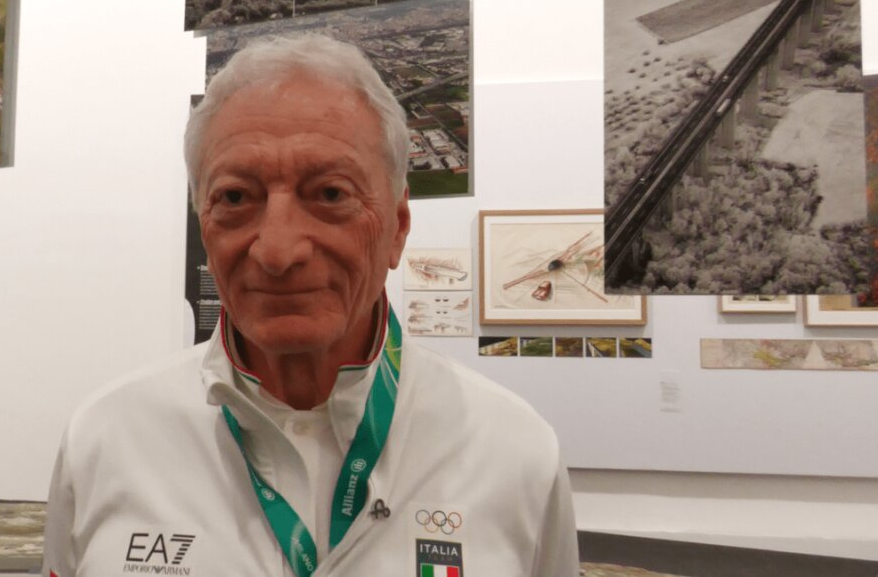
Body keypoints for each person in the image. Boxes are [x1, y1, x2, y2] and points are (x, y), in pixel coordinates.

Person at [43, 34, 579, 577]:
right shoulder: (106, 438)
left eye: (330, 194)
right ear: (204, 226)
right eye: (235, 197)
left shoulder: (515, 452)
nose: (277, 251)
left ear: (397, 228)